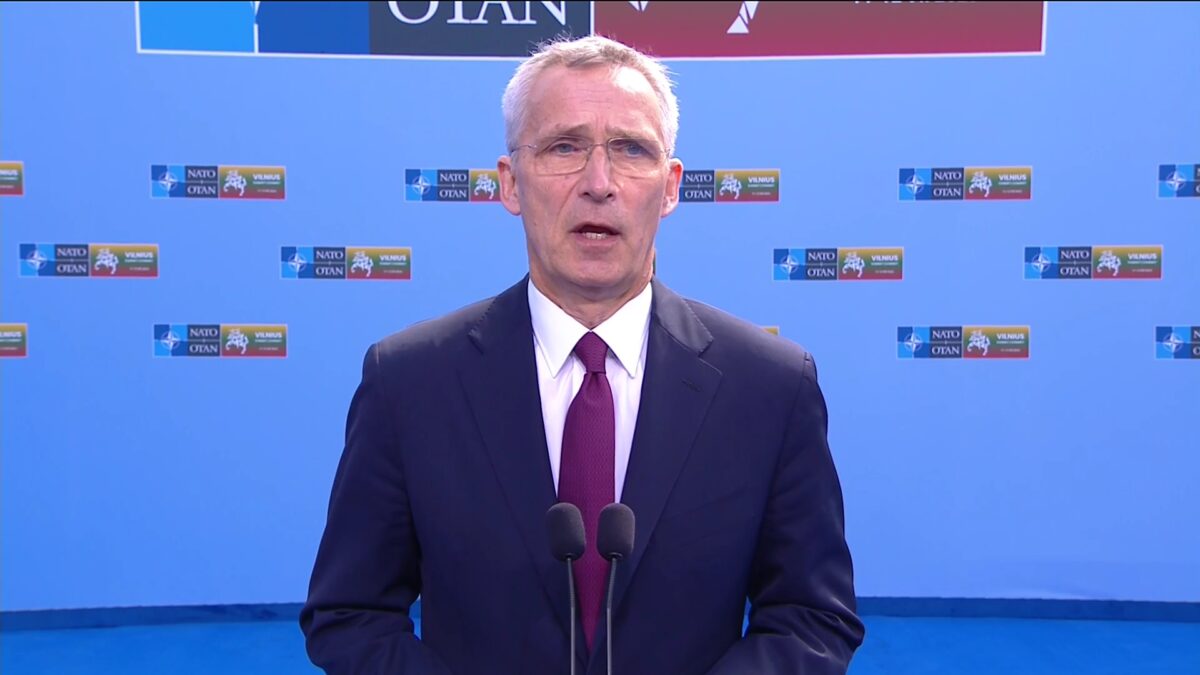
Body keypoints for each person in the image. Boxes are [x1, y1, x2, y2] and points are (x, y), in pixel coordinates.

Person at [300, 34, 864, 674]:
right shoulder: (409, 382)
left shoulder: (770, 387)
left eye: (631, 150)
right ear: (510, 183)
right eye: (564, 147)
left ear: (670, 187)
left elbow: (812, 618)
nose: (599, 184)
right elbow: (350, 615)